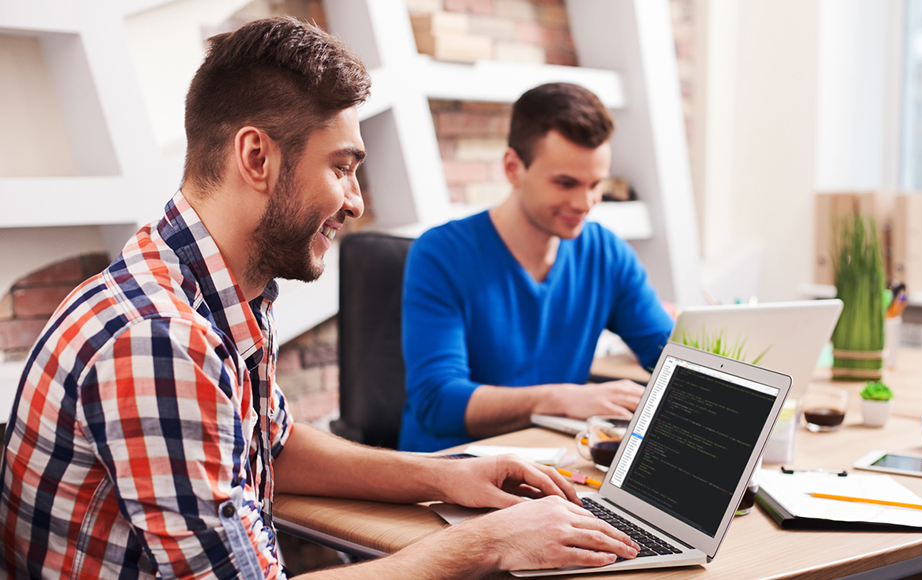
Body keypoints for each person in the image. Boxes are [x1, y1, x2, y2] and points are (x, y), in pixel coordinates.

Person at [0, 18, 639, 579]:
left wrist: (445, 475)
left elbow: (272, 444)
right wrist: (486, 543)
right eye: (341, 167)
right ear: (257, 157)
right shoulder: (157, 341)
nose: (357, 201)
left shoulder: (213, 291)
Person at [400, 83, 675, 452]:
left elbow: (672, 358)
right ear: (514, 168)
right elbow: (437, 401)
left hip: (552, 464)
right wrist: (561, 399)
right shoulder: (440, 254)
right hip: (450, 470)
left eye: (596, 184)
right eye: (565, 183)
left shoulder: (607, 253)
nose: (585, 201)